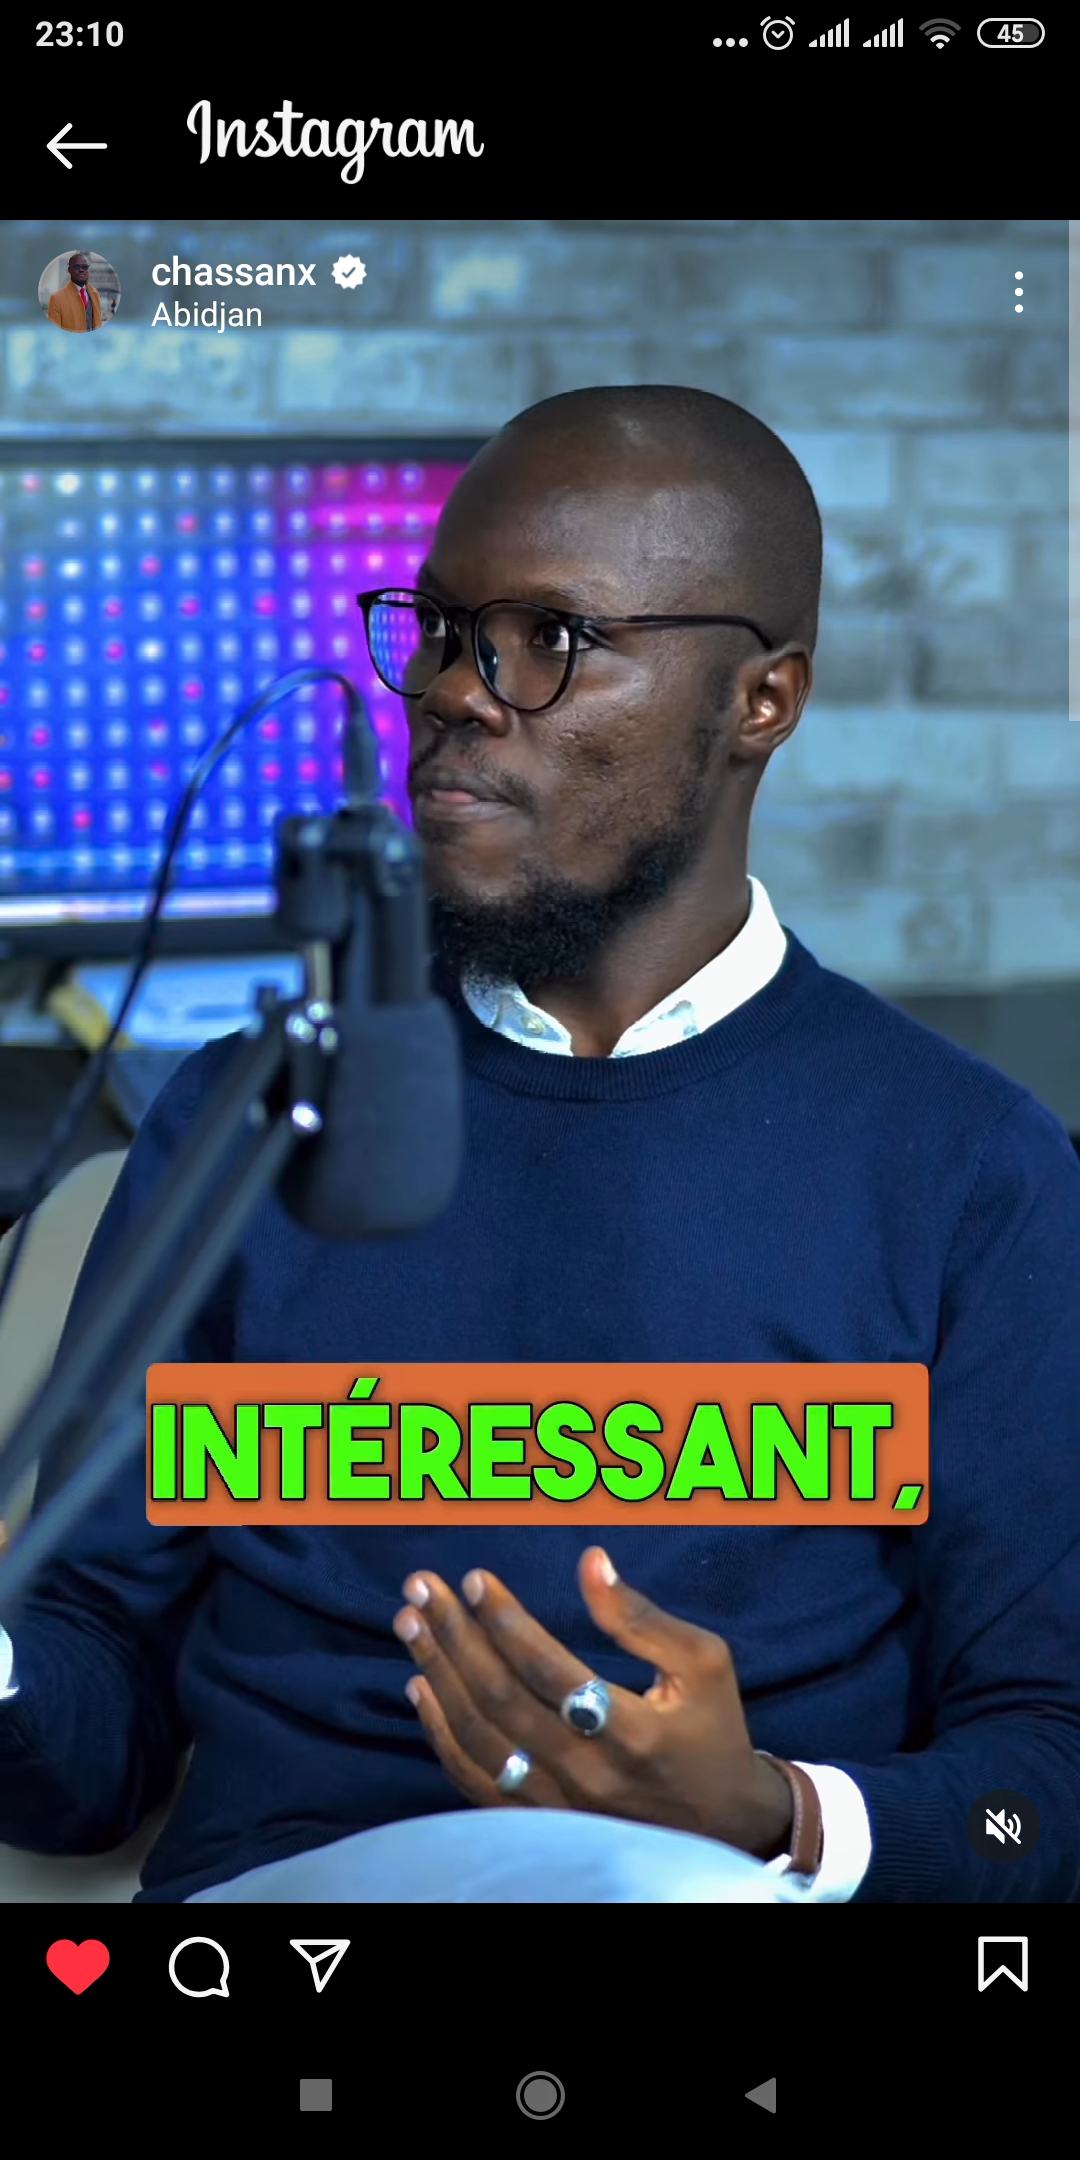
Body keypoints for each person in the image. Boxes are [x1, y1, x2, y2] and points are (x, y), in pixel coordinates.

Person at [1, 385, 1078, 1904]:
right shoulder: (246, 1123)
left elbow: (1045, 1781)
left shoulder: (970, 1173)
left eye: (549, 638)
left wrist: (769, 1811)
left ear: (761, 702)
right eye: (443, 631)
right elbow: (87, 1739)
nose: (455, 690)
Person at [46, 253, 101, 332]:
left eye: (85, 267)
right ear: (69, 270)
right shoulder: (56, 299)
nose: (81, 270)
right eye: (76, 267)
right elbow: (55, 333)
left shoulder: (95, 294)